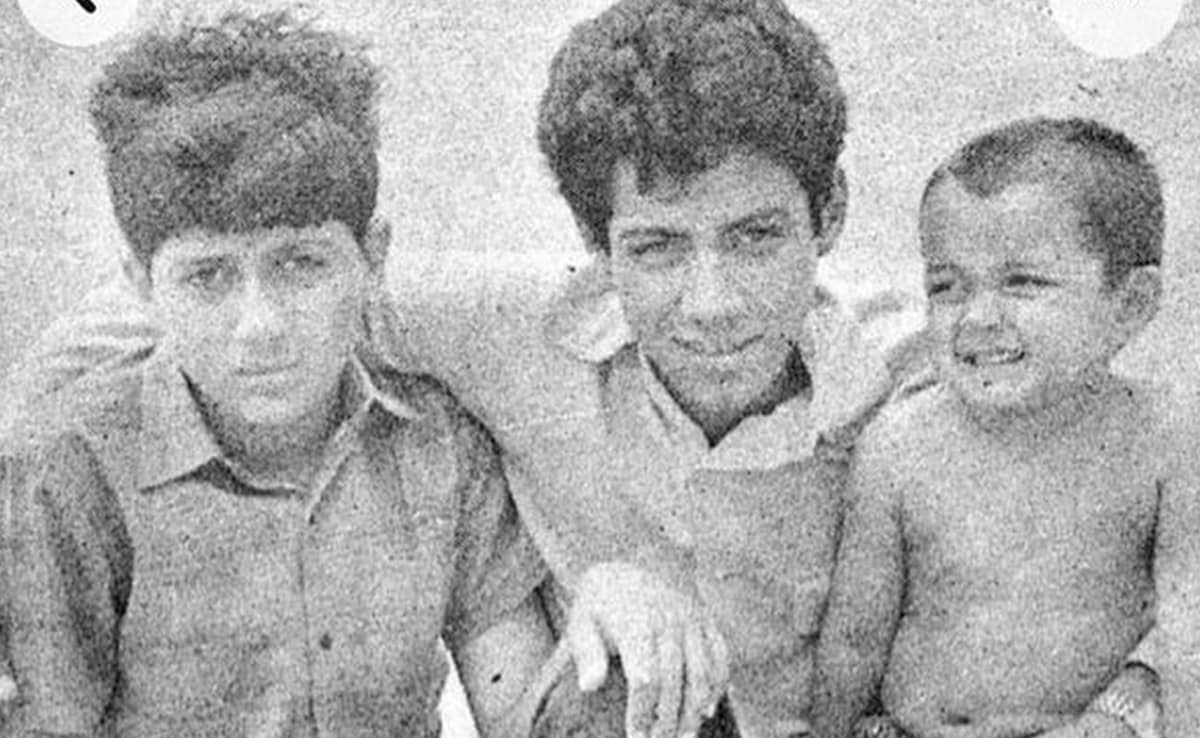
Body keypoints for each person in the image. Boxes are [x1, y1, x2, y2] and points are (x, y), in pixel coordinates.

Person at [0, 1, 902, 735]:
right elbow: (200, 291)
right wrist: (40, 441)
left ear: (829, 213)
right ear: (596, 246)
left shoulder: (912, 367)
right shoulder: (503, 328)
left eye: (755, 237)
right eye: (658, 246)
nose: (712, 304)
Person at [0, 14, 553, 736]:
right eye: (208, 276)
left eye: (300, 263)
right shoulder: (69, 471)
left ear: (372, 257)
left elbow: (523, 707)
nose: (259, 325)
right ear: (141, 284)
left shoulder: (437, 444)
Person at [813, 117, 1170, 738]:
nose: (976, 318)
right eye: (946, 286)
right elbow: (855, 635)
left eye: (1022, 282)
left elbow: (1189, 610)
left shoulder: (1161, 438)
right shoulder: (899, 446)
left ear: (1129, 305)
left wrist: (1123, 712)